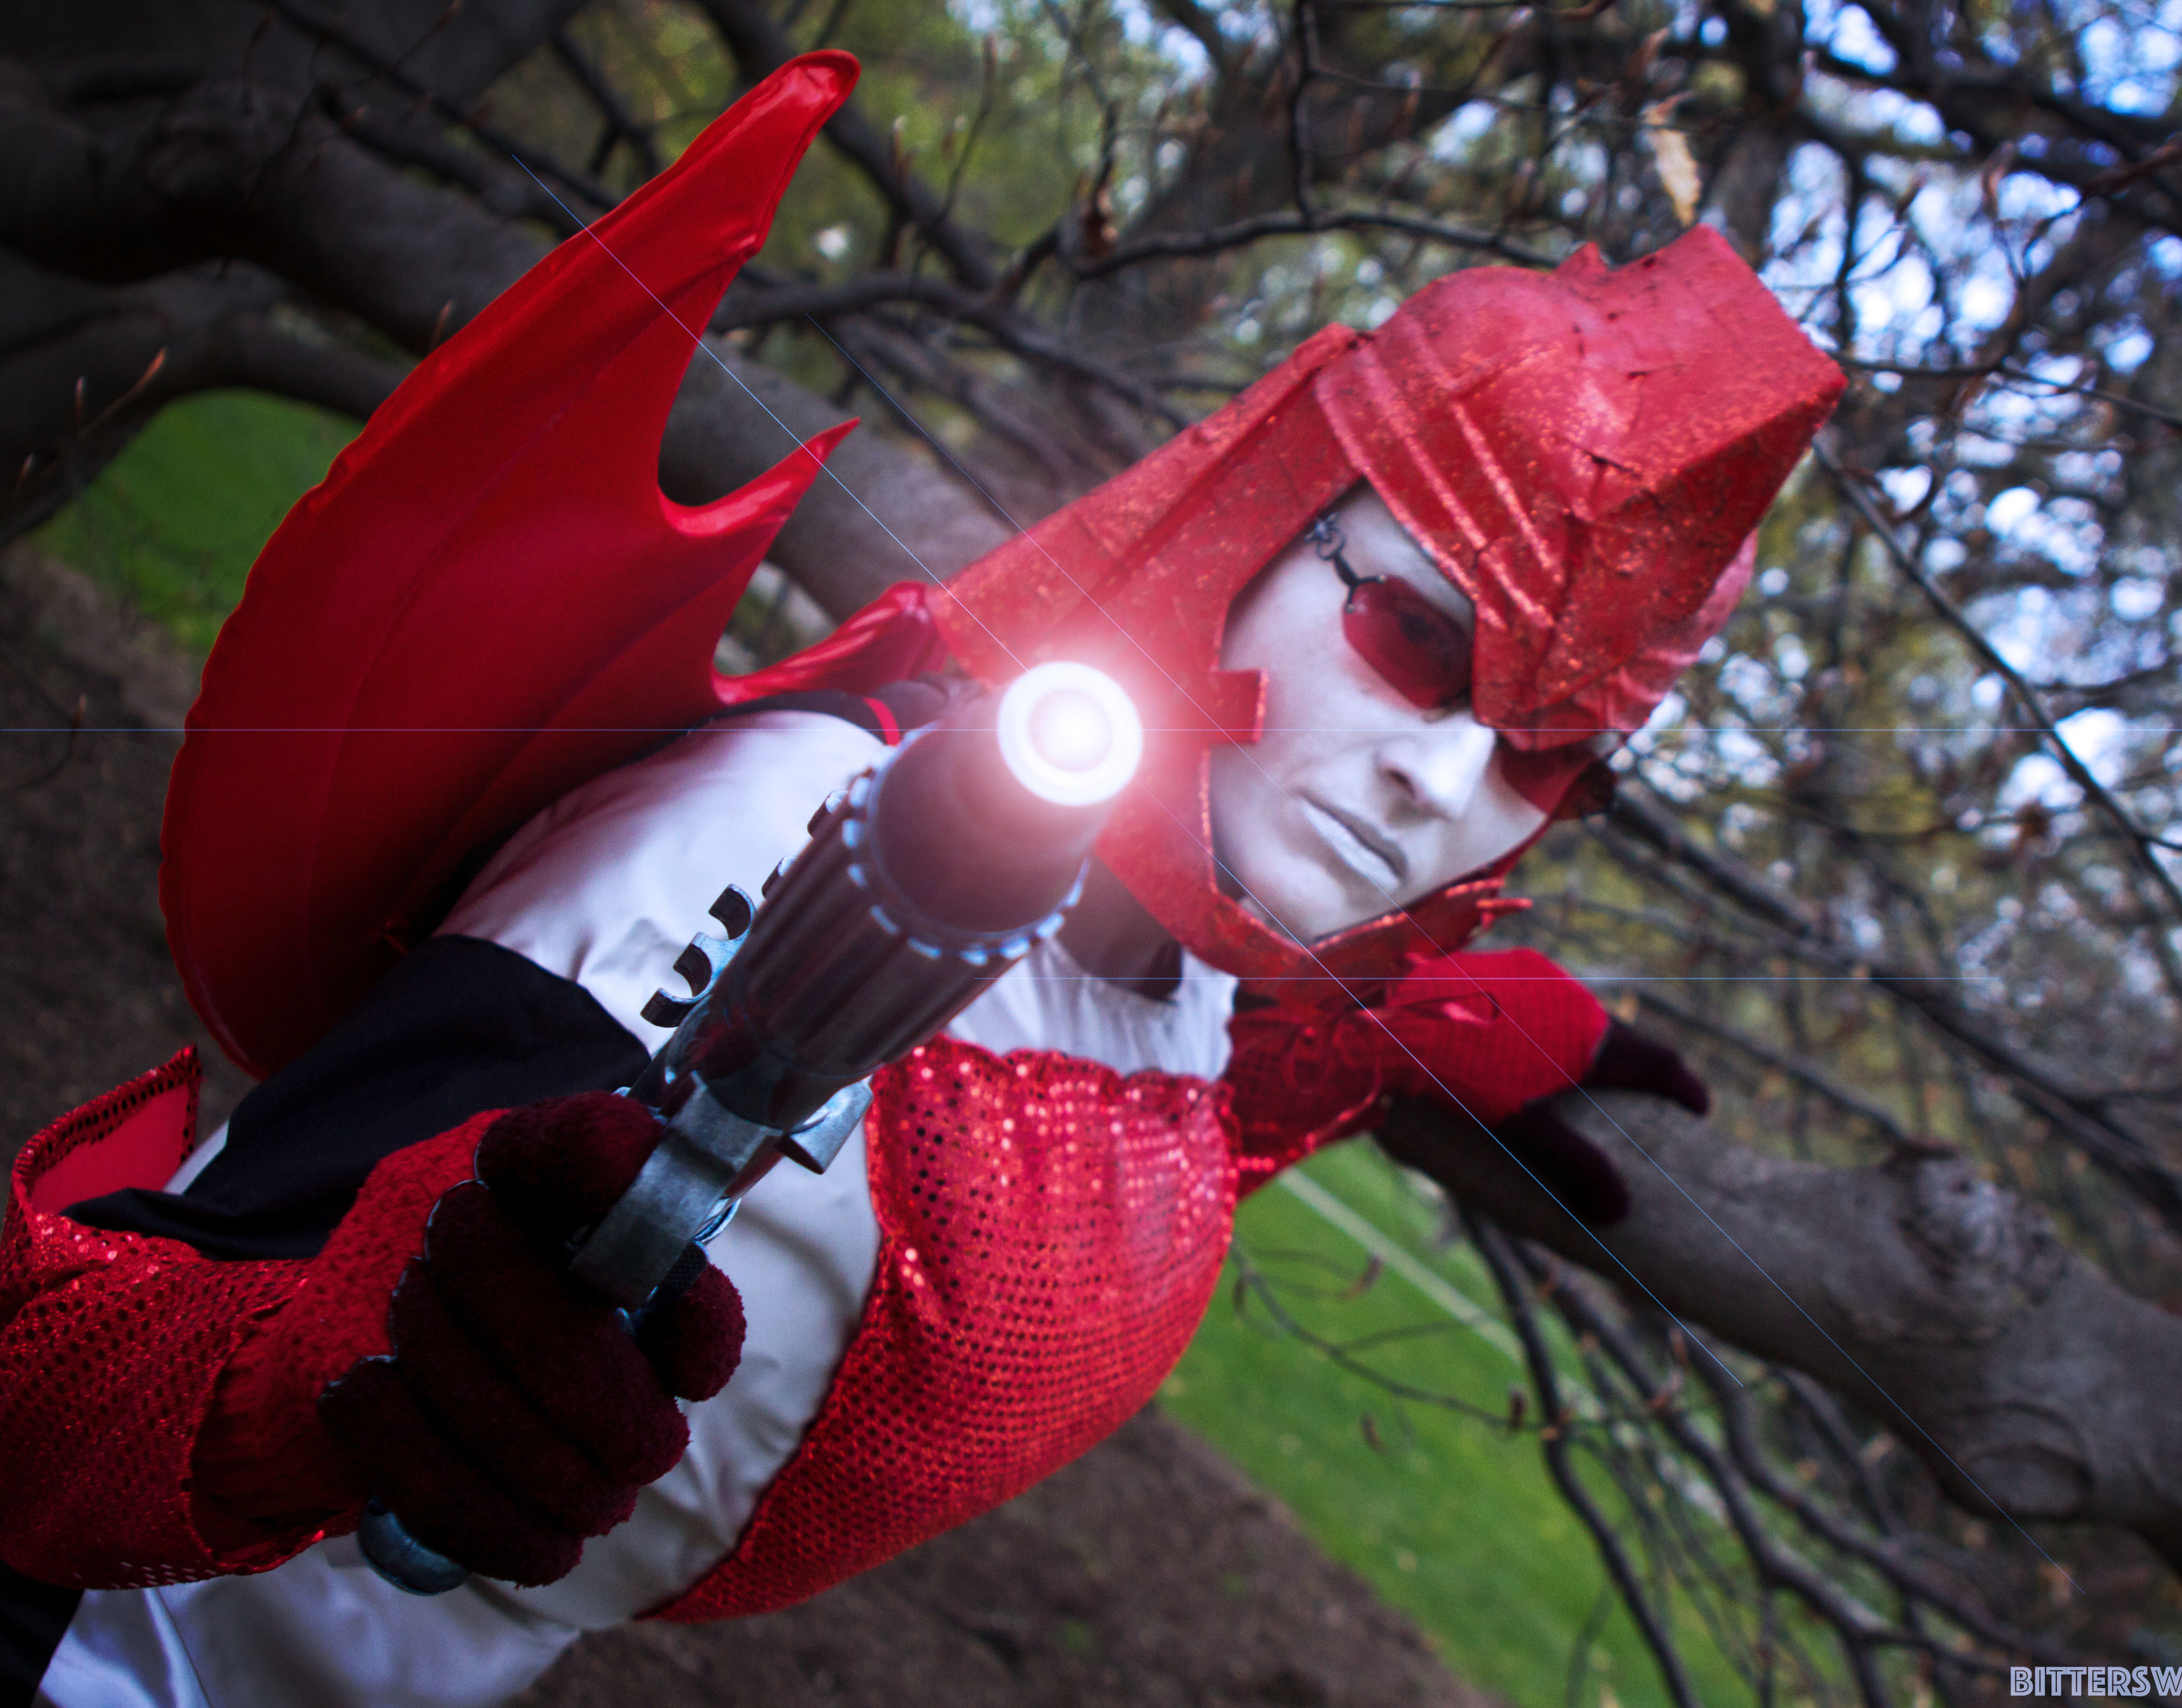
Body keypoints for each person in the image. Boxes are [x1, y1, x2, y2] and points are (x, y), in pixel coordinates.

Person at [0, 51, 1842, 1708]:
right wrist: (302, 1382)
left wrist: (1442, 1023)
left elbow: (1160, 1107)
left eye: (1549, 757)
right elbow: (39, 1398)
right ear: (1261, 523)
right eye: (1418, 642)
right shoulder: (777, 850)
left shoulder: (1202, 986)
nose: (1443, 782)